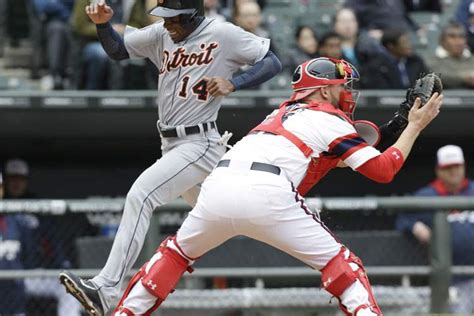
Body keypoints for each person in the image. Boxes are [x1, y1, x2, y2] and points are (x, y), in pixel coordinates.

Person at [107, 57, 443, 315]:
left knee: (175, 254)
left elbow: (338, 152)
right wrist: (413, 126)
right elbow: (383, 169)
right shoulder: (328, 119)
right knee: (343, 266)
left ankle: (125, 312)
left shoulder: (279, 114)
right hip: (267, 191)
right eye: (343, 86)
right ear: (325, 90)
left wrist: (396, 124)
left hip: (219, 185)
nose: (347, 93)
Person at [59, 0, 281, 315]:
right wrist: (103, 24)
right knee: (222, 217)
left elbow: (272, 61)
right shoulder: (163, 34)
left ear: (192, 16)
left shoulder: (222, 32)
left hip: (199, 141)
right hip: (171, 142)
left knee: (141, 194)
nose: (167, 25)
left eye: (174, 19)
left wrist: (234, 83)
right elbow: (119, 51)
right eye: (165, 18)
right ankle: (296, 232)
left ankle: (105, 288)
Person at [396, 145, 474, 313]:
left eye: (457, 166)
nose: (454, 171)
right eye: (448, 168)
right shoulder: (427, 195)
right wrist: (416, 226)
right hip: (452, 277)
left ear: (463, 167)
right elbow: (403, 218)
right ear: (439, 170)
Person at [362, 29, 429, 89]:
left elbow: (426, 83)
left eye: (408, 41)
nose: (409, 45)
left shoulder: (416, 61)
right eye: (404, 42)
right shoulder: (377, 66)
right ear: (391, 46)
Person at [32, 0, 75, 90]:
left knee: (69, 29)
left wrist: (55, 3)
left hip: (73, 22)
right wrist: (64, 11)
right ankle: (55, 74)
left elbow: (76, 3)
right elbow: (43, 6)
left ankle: (71, 75)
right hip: (48, 23)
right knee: (57, 29)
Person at [427, 22, 474, 89]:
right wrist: (465, 78)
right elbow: (437, 76)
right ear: (442, 40)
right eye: (452, 36)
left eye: (461, 37)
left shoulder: (472, 59)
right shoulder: (432, 61)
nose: (458, 41)